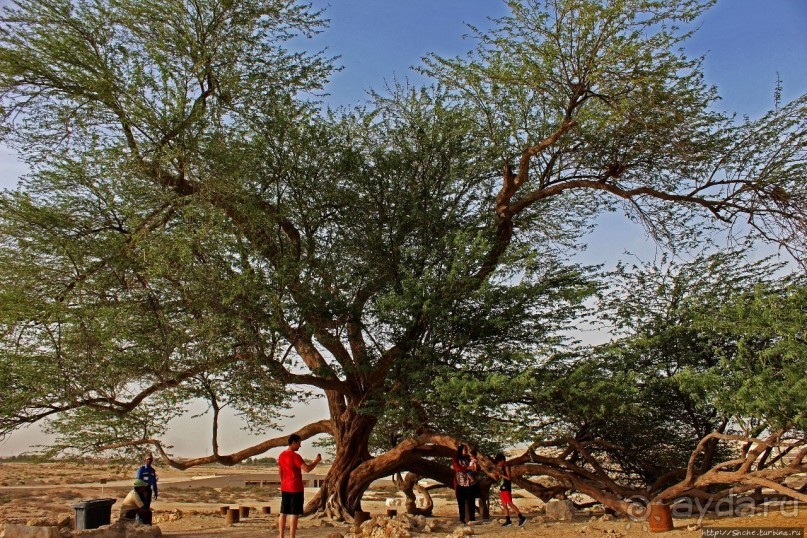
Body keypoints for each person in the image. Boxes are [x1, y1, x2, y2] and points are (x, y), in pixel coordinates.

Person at [278, 434, 322, 538]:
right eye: (299, 443)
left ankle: (281, 535)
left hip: (285, 487)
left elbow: (280, 470)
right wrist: (316, 461)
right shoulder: (295, 456)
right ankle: (292, 536)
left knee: (283, 512)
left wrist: (283, 482)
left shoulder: (281, 455)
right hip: (295, 488)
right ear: (293, 442)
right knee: (294, 514)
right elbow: (307, 469)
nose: (300, 446)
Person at [493, 453, 526, 527]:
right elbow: (497, 479)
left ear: (502, 461)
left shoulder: (506, 467)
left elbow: (509, 478)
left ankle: (521, 517)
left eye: (498, 462)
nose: (498, 464)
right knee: (504, 505)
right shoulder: (501, 468)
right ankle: (508, 520)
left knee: (510, 503)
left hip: (507, 488)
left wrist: (501, 475)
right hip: (502, 488)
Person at [452, 444, 478, 524]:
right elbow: (457, 468)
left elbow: (475, 468)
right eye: (465, 449)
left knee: (471, 502)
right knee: (461, 503)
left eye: (466, 449)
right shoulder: (456, 459)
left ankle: (472, 519)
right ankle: (462, 519)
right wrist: (467, 468)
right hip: (460, 484)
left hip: (470, 484)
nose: (466, 451)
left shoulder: (468, 458)